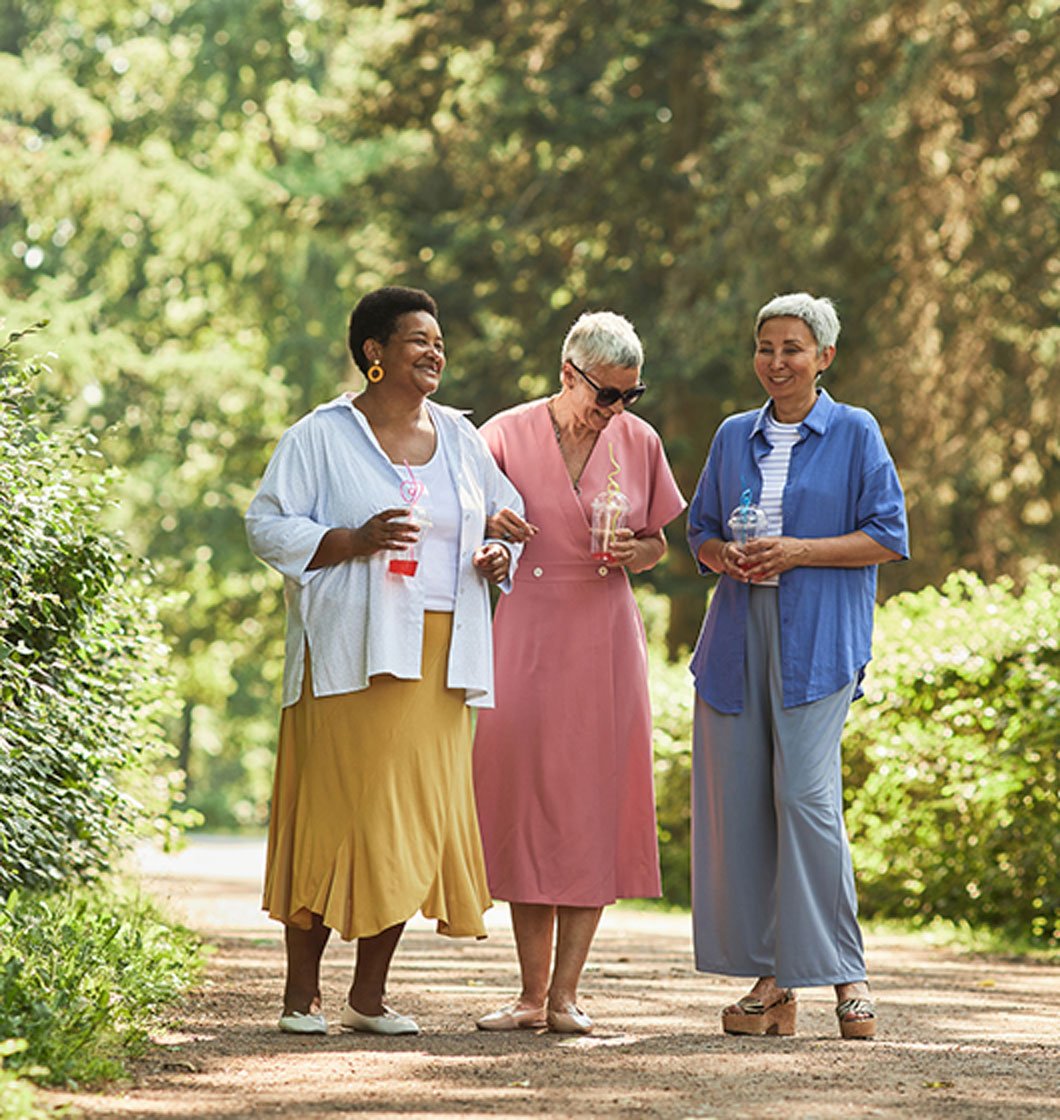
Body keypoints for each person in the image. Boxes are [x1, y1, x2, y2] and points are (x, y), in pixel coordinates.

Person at [245, 285, 524, 1036]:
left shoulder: (462, 439)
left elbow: (505, 520)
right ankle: (300, 995)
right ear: (374, 352)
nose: (435, 352)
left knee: (409, 821)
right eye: (417, 340)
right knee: (337, 814)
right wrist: (352, 540)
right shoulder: (321, 435)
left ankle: (368, 996)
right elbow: (267, 525)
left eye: (438, 342)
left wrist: (501, 550)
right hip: (349, 656)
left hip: (441, 659)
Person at [686, 292, 908, 1040]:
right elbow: (703, 534)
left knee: (807, 801)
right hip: (738, 633)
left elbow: (887, 534)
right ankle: (772, 985)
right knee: (745, 804)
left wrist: (798, 552)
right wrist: (729, 559)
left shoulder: (854, 431)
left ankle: (849, 975)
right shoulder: (731, 436)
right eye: (765, 347)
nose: (776, 362)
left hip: (819, 638)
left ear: (824, 358)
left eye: (792, 348)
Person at [472, 310, 686, 1034]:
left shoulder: (639, 441)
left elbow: (659, 542)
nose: (617, 409)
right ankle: (530, 995)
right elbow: (464, 526)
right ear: (569, 373)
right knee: (527, 802)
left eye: (630, 394)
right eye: (607, 394)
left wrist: (639, 553)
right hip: (525, 627)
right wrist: (491, 539)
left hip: (603, 631)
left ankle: (567, 996)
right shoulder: (500, 434)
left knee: (593, 802)